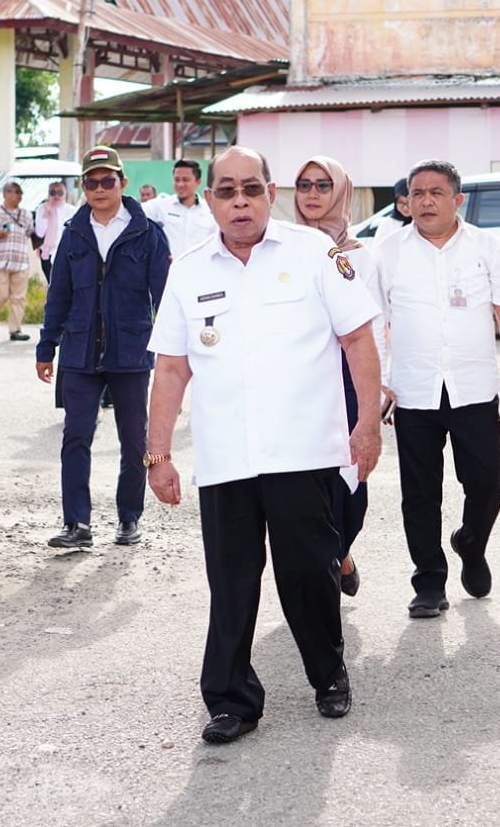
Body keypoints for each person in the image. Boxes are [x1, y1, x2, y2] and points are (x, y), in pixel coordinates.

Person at [146, 147, 383, 745]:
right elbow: (171, 367)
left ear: (270, 194)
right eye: (226, 191)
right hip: (227, 456)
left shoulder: (313, 254)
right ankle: (231, 700)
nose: (240, 202)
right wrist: (158, 453)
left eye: (251, 189)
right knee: (231, 582)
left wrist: (368, 425)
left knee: (308, 573)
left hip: (302, 450)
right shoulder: (189, 270)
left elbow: (359, 339)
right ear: (210, 201)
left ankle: (328, 674)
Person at [371, 159, 500, 619]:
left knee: (488, 484)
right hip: (413, 391)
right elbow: (376, 321)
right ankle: (428, 582)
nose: (425, 201)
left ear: (457, 200)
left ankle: (471, 543)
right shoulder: (388, 251)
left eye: (436, 192)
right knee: (420, 493)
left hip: (473, 389)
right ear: (406, 202)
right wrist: (380, 382)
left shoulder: (485, 246)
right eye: (417, 193)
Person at [35, 145, 169, 548]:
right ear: (83, 186)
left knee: (134, 440)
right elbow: (58, 295)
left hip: (131, 353)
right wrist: (46, 347)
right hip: (80, 353)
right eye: (91, 182)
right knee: (75, 437)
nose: (99, 188)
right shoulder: (73, 233)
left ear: (122, 183)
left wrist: (172, 351)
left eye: (107, 180)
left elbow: (165, 298)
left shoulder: (148, 234)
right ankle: (77, 524)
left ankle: (129, 518)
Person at [292, 156, 382, 597]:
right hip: (298, 382)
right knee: (302, 482)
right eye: (304, 185)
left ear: (341, 191)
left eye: (323, 185)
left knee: (350, 479)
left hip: (347, 381)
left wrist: (378, 394)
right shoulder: (280, 248)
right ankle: (320, 566)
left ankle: (342, 550)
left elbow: (375, 329)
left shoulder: (359, 257)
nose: (312, 194)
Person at [0, 181, 34, 343]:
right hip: (1, 260)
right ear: (5, 194)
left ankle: (15, 329)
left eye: (19, 193)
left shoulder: (26, 214)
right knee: (0, 294)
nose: (17, 196)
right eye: (13, 192)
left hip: (20, 260)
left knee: (18, 297)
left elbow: (30, 232)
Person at [143, 159, 217, 259]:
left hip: (200, 266)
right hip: (169, 267)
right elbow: (135, 212)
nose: (180, 184)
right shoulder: (160, 206)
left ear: (198, 182)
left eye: (185, 180)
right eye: (177, 180)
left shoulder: (210, 210)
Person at [34, 181, 70, 283]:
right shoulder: (42, 208)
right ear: (48, 194)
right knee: (52, 283)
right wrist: (46, 214)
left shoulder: (71, 210)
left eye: (60, 193)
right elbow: (40, 233)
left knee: (65, 283)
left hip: (66, 252)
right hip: (47, 252)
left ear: (65, 193)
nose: (56, 196)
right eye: (53, 193)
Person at [372, 176, 414, 241]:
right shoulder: (388, 224)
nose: (405, 208)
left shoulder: (423, 223)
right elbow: (378, 246)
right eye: (400, 202)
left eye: (408, 203)